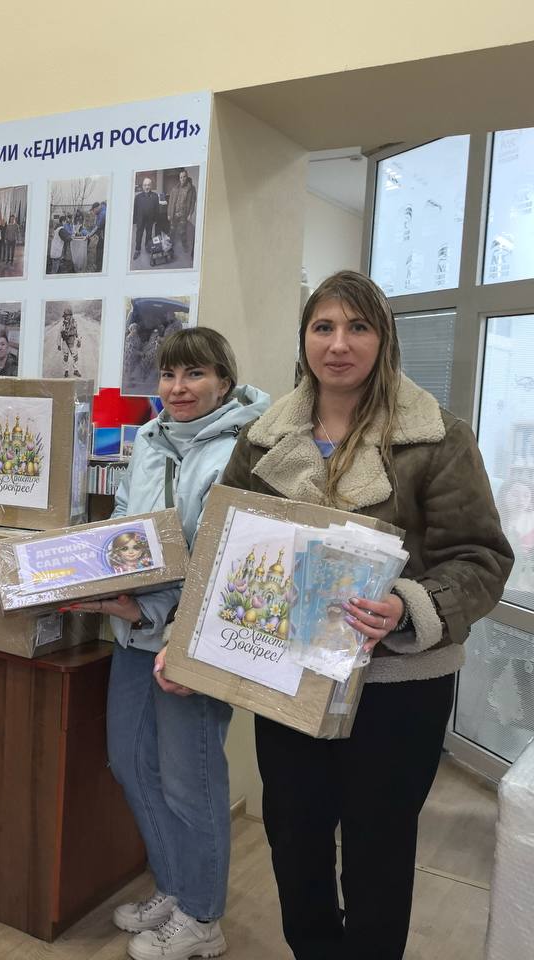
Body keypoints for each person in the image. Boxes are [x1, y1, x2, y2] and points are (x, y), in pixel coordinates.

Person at [217, 270, 512, 960]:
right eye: (323, 327)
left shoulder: (437, 438)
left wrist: (409, 606)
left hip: (397, 685)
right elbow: (225, 545)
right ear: (304, 340)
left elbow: (481, 558)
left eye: (358, 327)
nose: (339, 344)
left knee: (379, 849)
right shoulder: (261, 439)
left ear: (384, 339)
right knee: (294, 840)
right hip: (290, 678)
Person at [68, 328, 269, 960]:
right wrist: (99, 579)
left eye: (195, 375)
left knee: (191, 783)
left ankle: (203, 919)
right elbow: (126, 526)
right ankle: (176, 888)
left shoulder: (246, 448)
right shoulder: (149, 439)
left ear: (224, 382)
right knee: (130, 762)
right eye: (168, 375)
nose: (178, 389)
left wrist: (150, 608)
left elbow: (227, 560)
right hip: (134, 633)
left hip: (194, 641)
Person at [168, 169, 197, 256]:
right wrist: (169, 214)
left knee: (182, 231)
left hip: (183, 214)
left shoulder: (191, 189)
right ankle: (171, 243)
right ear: (179, 178)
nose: (182, 179)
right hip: (174, 213)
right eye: (181, 177)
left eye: (184, 177)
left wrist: (190, 214)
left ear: (187, 177)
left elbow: (192, 202)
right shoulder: (175, 188)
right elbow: (170, 202)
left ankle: (184, 244)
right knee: (172, 230)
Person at [133, 178, 161, 261]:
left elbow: (157, 209)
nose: (147, 187)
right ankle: (137, 250)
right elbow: (135, 209)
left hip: (150, 220)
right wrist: (135, 220)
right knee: (139, 235)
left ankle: (147, 247)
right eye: (145, 185)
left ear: (151, 186)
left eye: (148, 185)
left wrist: (156, 220)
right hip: (140, 220)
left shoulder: (155, 196)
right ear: (142, 186)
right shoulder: (138, 197)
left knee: (149, 235)